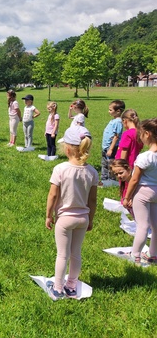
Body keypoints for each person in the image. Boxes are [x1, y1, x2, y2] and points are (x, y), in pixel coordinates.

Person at [45, 125, 98, 300]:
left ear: (67, 149)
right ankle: (72, 285)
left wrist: (48, 215)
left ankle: (58, 288)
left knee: (62, 254)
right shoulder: (92, 172)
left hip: (65, 219)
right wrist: (90, 219)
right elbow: (92, 200)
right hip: (82, 218)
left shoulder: (60, 169)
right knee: (76, 253)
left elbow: (53, 195)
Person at [123, 118, 157, 264]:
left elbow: (134, 179)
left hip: (143, 192)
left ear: (147, 134)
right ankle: (153, 255)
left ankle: (135, 255)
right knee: (155, 226)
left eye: (141, 134)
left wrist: (127, 197)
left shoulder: (145, 156)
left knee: (142, 225)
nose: (140, 137)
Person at [100, 100, 125, 186]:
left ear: (118, 111)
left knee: (110, 163)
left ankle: (111, 180)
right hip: (106, 146)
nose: (109, 111)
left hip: (111, 147)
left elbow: (116, 136)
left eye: (110, 110)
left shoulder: (118, 122)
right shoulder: (114, 120)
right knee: (104, 163)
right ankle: (104, 179)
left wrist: (111, 148)